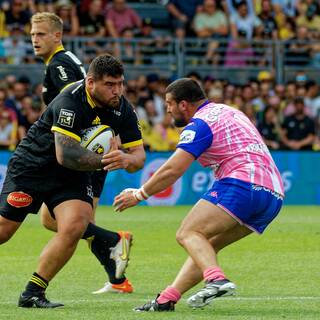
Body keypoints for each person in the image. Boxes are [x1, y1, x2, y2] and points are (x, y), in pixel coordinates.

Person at [113, 78, 284, 311]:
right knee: (206, 246)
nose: (168, 110)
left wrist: (139, 194)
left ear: (184, 104)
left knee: (188, 232)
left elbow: (173, 169)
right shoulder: (229, 110)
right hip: (273, 194)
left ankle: (216, 280)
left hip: (243, 183)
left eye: (169, 104)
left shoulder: (200, 123)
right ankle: (167, 298)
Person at [0, 54, 145, 308]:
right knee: (3, 231)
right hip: (33, 166)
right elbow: (65, 154)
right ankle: (111, 241)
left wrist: (124, 158)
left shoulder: (123, 108)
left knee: (76, 225)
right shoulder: (71, 99)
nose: (117, 90)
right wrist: (105, 161)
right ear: (90, 83)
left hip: (73, 175)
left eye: (120, 83)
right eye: (110, 85)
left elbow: (139, 157)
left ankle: (33, 293)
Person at [30, 12, 139, 295]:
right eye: (32, 34)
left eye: (41, 34)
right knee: (52, 220)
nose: (34, 39)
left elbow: (75, 103)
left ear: (57, 35)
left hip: (85, 153)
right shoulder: (59, 64)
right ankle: (116, 257)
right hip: (81, 148)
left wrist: (100, 140)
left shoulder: (60, 65)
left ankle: (116, 259)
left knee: (75, 223)